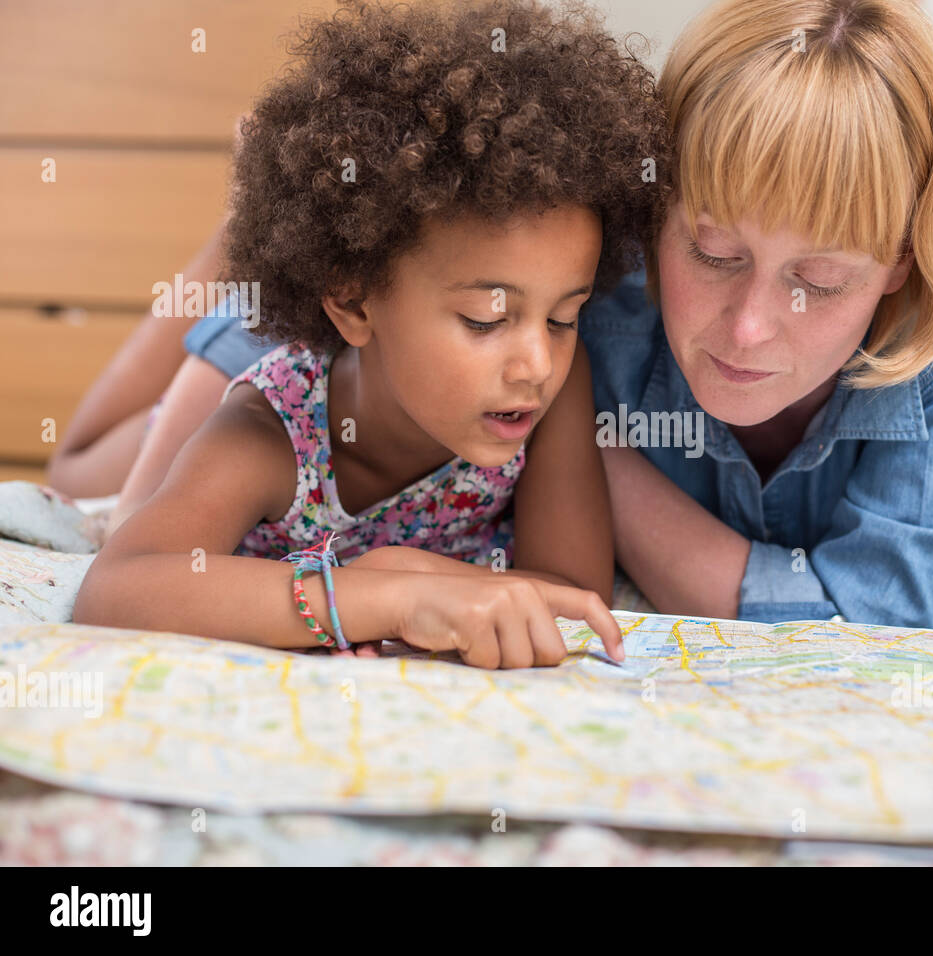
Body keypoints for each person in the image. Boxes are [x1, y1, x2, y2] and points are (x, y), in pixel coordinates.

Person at [82, 0, 933, 635]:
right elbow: (132, 551)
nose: (745, 329)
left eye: (818, 281)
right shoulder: (591, 253)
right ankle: (229, 236)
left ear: (902, 263)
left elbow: (883, 614)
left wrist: (579, 442)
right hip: (321, 319)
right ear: (656, 215)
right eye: (714, 254)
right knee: (91, 469)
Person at [74, 0, 672, 665]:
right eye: (486, 320)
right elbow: (121, 586)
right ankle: (230, 229)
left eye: (564, 317)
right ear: (355, 301)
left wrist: (408, 569)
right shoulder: (271, 430)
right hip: (231, 370)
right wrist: (381, 595)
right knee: (82, 466)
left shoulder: (554, 380)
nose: (537, 361)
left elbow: (570, 591)